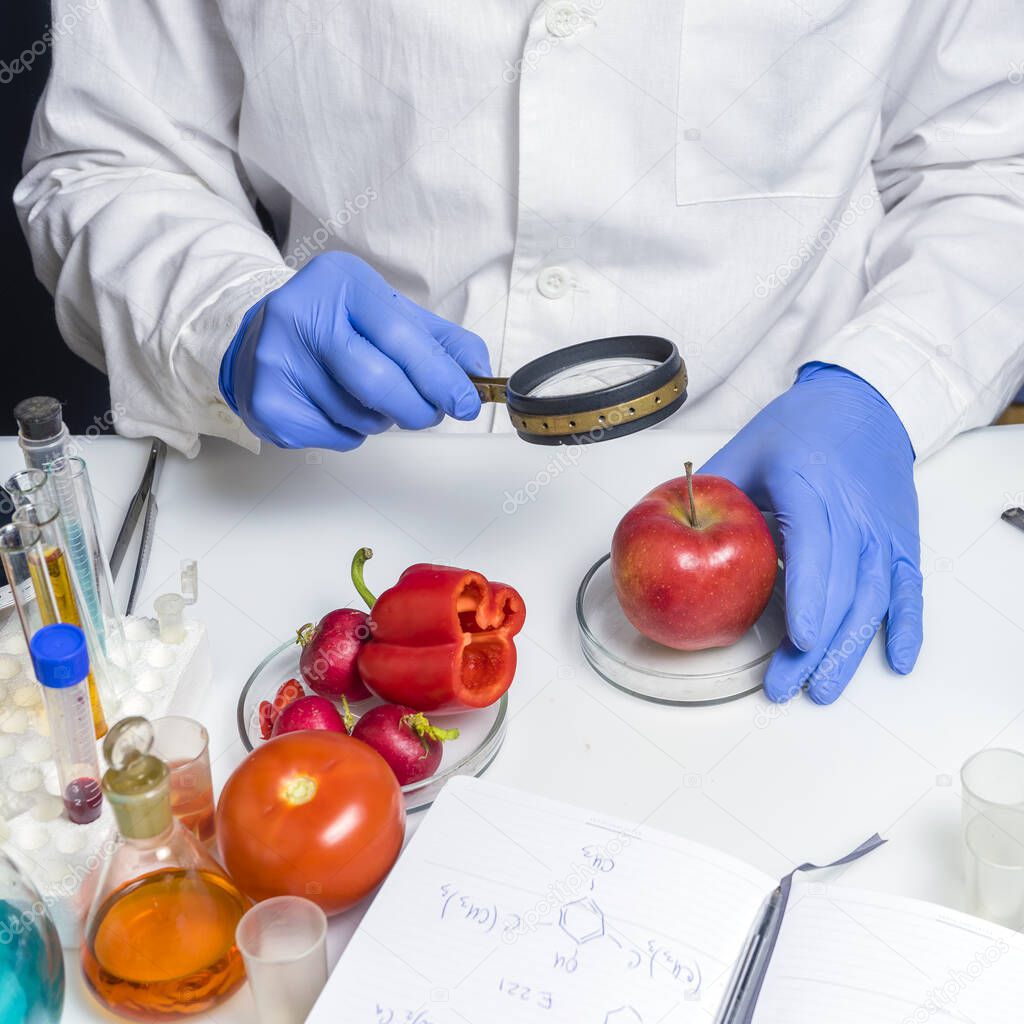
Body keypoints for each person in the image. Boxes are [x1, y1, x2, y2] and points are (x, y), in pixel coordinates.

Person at [15, 1, 1024, 705]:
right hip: (326, 517)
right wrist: (221, 319)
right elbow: (108, 161)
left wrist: (881, 386)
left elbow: (991, 162)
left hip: (781, 515)